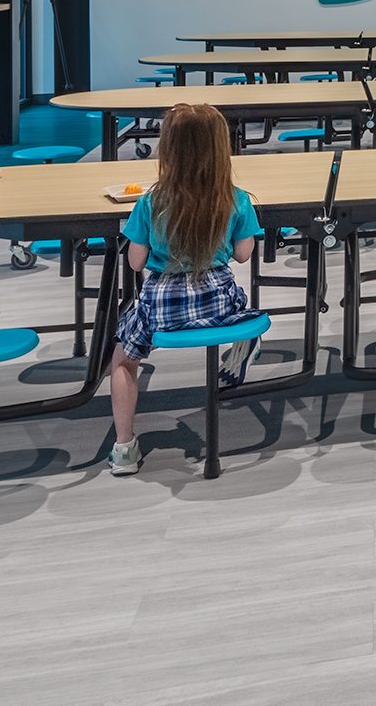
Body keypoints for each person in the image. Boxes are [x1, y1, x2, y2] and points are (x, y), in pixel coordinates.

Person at [109, 103, 262, 477]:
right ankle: (241, 338)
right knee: (238, 302)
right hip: (218, 298)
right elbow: (243, 255)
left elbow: (135, 263)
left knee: (123, 361)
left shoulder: (150, 201)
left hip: (165, 304)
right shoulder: (236, 198)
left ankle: (125, 449)